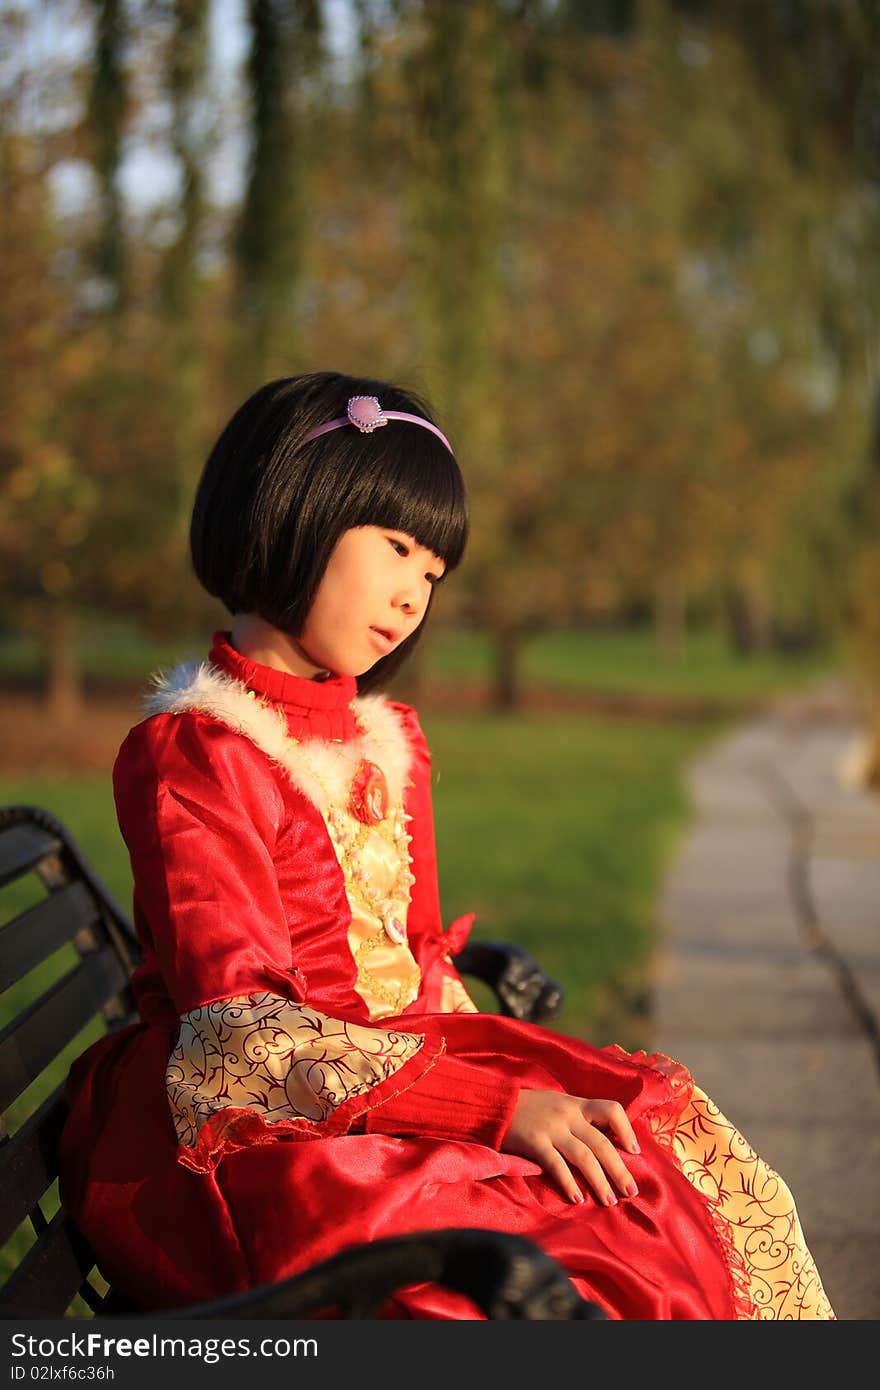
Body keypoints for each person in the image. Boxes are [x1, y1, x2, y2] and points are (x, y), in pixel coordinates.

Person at [59, 372, 834, 1320]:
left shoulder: (389, 743)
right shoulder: (199, 753)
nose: (411, 594)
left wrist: (508, 1077)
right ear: (295, 507)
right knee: (552, 1254)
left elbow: (417, 958)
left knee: (658, 1180)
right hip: (272, 1131)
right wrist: (493, 1107)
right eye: (395, 547)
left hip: (397, 1075)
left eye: (432, 572)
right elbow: (237, 1034)